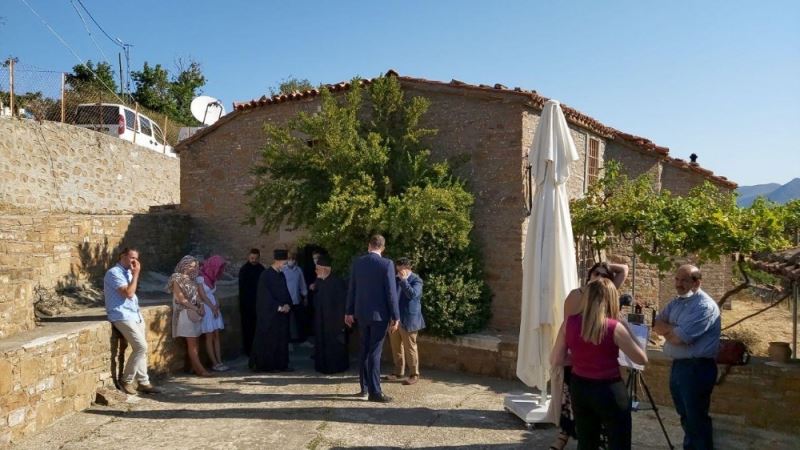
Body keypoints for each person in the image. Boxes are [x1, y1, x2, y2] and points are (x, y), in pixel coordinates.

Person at [551, 277, 648, 450]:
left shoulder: (569, 323)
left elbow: (556, 359)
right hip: (609, 389)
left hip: (580, 387)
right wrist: (626, 327)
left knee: (586, 442)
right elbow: (641, 359)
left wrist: (581, 359)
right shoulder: (613, 327)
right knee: (618, 442)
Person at [653, 265, 720, 450]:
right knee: (684, 415)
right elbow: (656, 324)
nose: (678, 284)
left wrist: (670, 330)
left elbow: (679, 338)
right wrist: (673, 329)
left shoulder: (704, 306)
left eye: (684, 280)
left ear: (697, 283)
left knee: (696, 418)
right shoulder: (677, 303)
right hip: (679, 366)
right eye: (677, 279)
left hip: (697, 368)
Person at [345, 234, 400, 402]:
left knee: (364, 350)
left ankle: (364, 389)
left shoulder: (358, 263)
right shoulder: (387, 264)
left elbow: (352, 288)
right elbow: (391, 293)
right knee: (374, 352)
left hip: (361, 313)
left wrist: (348, 311)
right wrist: (395, 316)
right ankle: (375, 392)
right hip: (379, 315)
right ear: (383, 248)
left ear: (369, 245)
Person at [103, 247, 161, 394]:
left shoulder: (128, 272)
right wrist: (136, 275)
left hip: (134, 314)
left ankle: (143, 382)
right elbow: (128, 293)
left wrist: (133, 274)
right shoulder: (114, 273)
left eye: (136, 258)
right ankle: (126, 380)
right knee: (141, 347)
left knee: (142, 350)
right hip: (121, 315)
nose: (134, 261)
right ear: (122, 256)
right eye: (132, 258)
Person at [167, 255, 211, 377]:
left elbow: (197, 296)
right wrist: (196, 308)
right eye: (191, 266)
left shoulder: (193, 279)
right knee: (192, 343)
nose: (193, 268)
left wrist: (201, 306)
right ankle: (201, 370)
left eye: (195, 266)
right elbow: (181, 299)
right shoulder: (176, 278)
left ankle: (194, 368)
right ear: (184, 265)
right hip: (184, 314)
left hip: (194, 313)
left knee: (196, 342)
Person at [250, 249, 293, 372]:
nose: (285, 266)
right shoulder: (265, 275)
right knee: (270, 340)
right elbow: (264, 297)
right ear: (278, 261)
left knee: (282, 340)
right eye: (284, 263)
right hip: (270, 315)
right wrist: (278, 307)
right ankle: (268, 365)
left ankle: (281, 364)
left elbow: (285, 292)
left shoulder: (281, 275)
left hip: (282, 316)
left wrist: (288, 304)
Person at [387, 257, 425, 386]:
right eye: (397, 270)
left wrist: (404, 281)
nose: (399, 273)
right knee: (396, 346)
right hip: (395, 319)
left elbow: (412, 295)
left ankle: (414, 374)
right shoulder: (395, 279)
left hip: (409, 319)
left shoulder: (416, 280)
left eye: (401, 270)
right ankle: (398, 371)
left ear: (408, 268)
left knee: (410, 348)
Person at [312, 254, 350, 374]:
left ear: (324, 269)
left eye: (317, 269)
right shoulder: (320, 282)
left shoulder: (337, 283)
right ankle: (322, 366)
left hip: (334, 322)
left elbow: (342, 304)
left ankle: (335, 367)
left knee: (335, 345)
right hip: (321, 320)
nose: (315, 271)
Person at [198, 255, 228, 372]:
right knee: (209, 337)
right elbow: (202, 295)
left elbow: (214, 293)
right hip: (207, 308)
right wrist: (212, 308)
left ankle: (220, 361)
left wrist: (217, 305)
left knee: (216, 336)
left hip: (214, 307)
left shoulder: (212, 278)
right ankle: (214, 363)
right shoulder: (200, 277)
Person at [238, 248, 264, 357]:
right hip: (247, 305)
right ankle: (249, 350)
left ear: (259, 258)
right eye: (252, 258)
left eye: (255, 258)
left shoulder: (261, 269)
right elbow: (242, 289)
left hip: (259, 304)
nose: (253, 260)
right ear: (248, 257)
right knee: (248, 328)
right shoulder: (244, 270)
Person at [283, 251, 309, 344]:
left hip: (296, 299)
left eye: (293, 259)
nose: (291, 261)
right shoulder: (283, 270)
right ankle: (286, 340)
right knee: (285, 321)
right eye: (289, 259)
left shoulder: (298, 270)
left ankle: (302, 339)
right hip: (286, 300)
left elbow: (302, 284)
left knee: (300, 320)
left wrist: (305, 296)